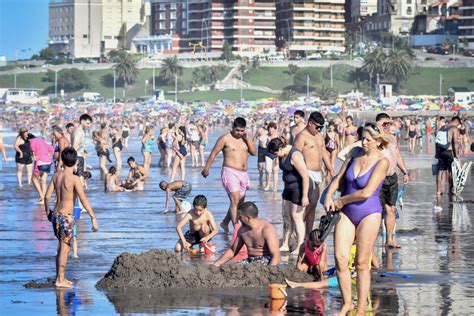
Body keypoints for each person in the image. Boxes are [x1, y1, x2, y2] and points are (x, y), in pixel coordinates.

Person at [323, 123, 389, 316]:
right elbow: (339, 177)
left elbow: (367, 192)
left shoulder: (382, 162)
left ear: (378, 141)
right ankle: (346, 303)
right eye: (363, 138)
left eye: (369, 139)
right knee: (341, 259)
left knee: (361, 262)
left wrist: (341, 200)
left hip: (369, 213)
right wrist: (328, 196)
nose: (365, 142)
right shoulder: (354, 153)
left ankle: (360, 307)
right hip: (346, 212)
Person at [44, 147, 99, 288]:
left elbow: (47, 196)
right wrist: (93, 217)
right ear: (75, 162)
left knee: (61, 246)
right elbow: (83, 199)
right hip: (66, 217)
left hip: (55, 214)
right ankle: (60, 280)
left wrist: (47, 212)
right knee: (65, 248)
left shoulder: (56, 176)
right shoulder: (74, 179)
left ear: (62, 160)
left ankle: (60, 277)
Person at [202, 117, 257, 233]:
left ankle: (224, 222)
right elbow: (213, 153)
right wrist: (206, 168)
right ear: (232, 128)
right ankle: (237, 228)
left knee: (239, 202)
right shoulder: (225, 138)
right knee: (235, 200)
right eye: (237, 130)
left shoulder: (245, 138)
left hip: (243, 173)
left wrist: (248, 139)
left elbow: (253, 152)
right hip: (229, 171)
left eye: (242, 131)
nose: (239, 133)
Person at [293, 111, 334, 240]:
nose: (319, 129)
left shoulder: (319, 136)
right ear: (309, 123)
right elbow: (295, 156)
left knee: (314, 204)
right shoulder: (301, 136)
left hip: (318, 173)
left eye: (321, 127)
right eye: (317, 126)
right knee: (307, 205)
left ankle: (307, 235)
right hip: (306, 173)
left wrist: (330, 168)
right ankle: (297, 232)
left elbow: (323, 153)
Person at [267, 137, 312, 254]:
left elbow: (305, 177)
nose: (276, 156)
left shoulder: (295, 156)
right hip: (288, 188)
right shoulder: (281, 154)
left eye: (276, 153)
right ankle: (285, 244)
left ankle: (300, 246)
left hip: (300, 188)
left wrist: (305, 196)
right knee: (285, 215)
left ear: (281, 148)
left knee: (296, 217)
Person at [376, 113, 409, 249]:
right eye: (384, 124)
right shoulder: (374, 138)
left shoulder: (392, 139)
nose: (387, 126)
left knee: (391, 209)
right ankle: (369, 240)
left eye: (389, 124)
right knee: (376, 211)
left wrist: (405, 171)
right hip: (378, 178)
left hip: (392, 177)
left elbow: (397, 156)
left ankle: (389, 239)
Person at [213, 202, 280, 266]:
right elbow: (232, 251)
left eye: (240, 217)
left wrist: (269, 273)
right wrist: (216, 264)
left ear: (248, 218)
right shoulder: (242, 230)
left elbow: (276, 256)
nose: (239, 219)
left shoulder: (266, 229)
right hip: (250, 260)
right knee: (234, 268)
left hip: (265, 260)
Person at [435, 116, 461, 196]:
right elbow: (455, 143)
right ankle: (450, 190)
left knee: (440, 171)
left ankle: (439, 190)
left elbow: (437, 141)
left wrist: (436, 153)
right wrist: (456, 156)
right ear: (457, 122)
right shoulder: (454, 128)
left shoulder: (442, 128)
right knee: (451, 171)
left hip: (440, 151)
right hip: (449, 152)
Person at [30, 135, 55, 204]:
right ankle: (43, 199)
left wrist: (33, 155)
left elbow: (32, 148)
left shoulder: (33, 140)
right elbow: (52, 149)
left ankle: (41, 196)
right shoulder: (43, 141)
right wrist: (49, 156)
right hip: (48, 162)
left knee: (34, 179)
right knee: (43, 180)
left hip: (40, 162)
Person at [71, 114, 92, 185]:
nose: (88, 126)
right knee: (80, 182)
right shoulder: (79, 132)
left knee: (77, 181)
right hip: (78, 158)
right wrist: (75, 163)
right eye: (87, 123)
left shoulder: (75, 130)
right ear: (82, 121)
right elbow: (74, 147)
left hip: (77, 157)